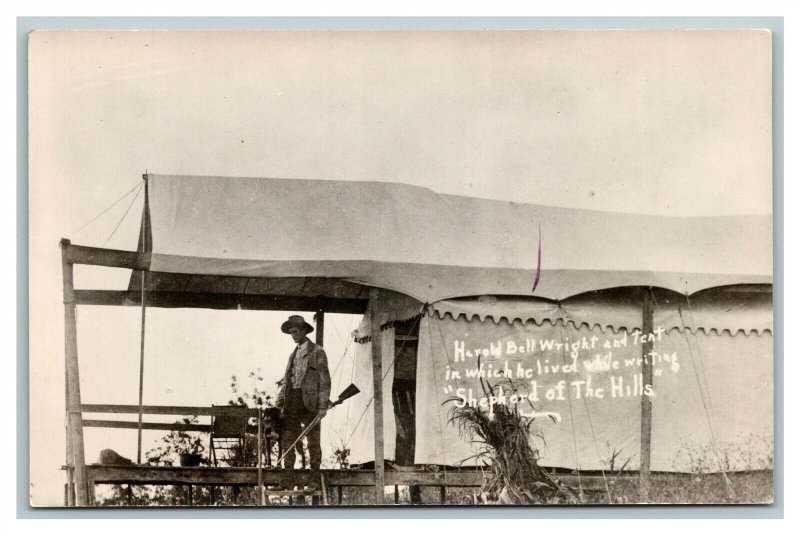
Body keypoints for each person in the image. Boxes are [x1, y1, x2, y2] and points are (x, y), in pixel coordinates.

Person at [274, 315, 331, 472]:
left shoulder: (317, 352)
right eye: (291, 332)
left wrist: (323, 406)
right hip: (292, 400)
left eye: (296, 332)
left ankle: (314, 477)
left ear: (304, 331)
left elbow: (325, 381)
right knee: (288, 438)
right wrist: (278, 404)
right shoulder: (292, 355)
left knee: (313, 440)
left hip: (310, 403)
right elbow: (286, 381)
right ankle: (288, 478)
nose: (293, 335)